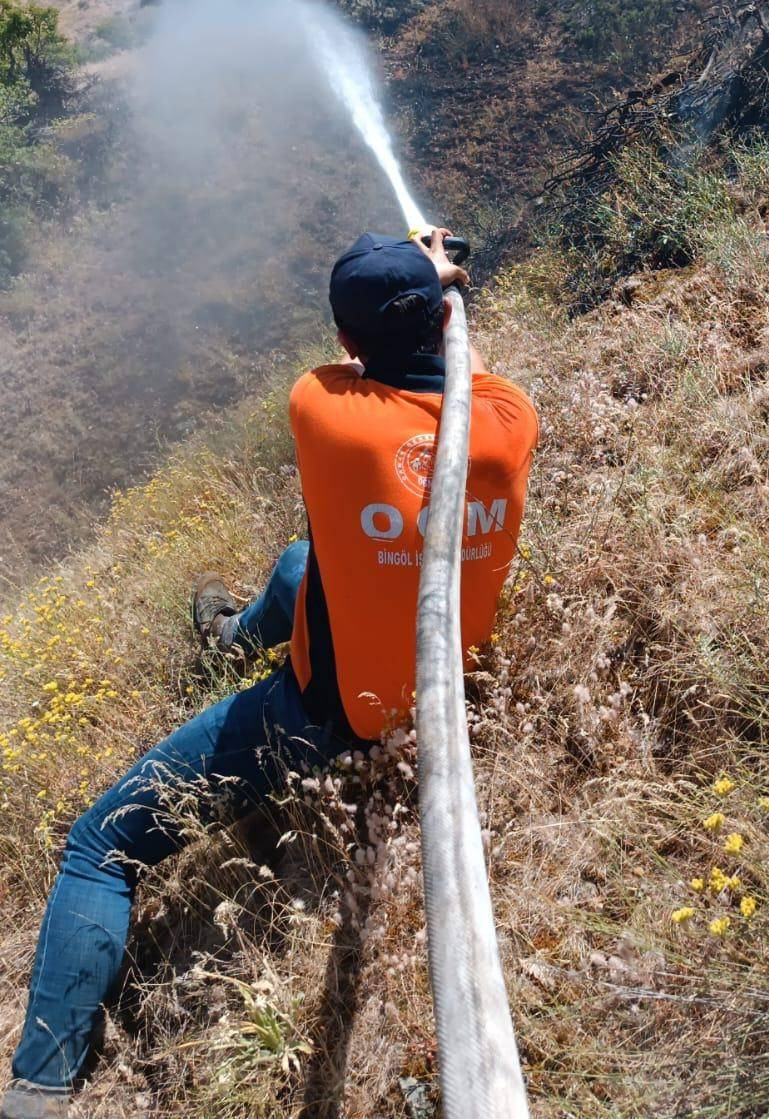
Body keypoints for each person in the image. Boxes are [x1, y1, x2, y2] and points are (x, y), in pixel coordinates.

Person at [2, 230, 538, 1118]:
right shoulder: (511, 421)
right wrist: (438, 288)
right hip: (437, 673)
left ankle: (35, 1088)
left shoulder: (325, 410)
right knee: (303, 562)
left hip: (329, 715)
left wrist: (416, 277)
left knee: (99, 846)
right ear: (445, 317)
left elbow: (353, 363)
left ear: (351, 345)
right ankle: (232, 635)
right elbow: (467, 369)